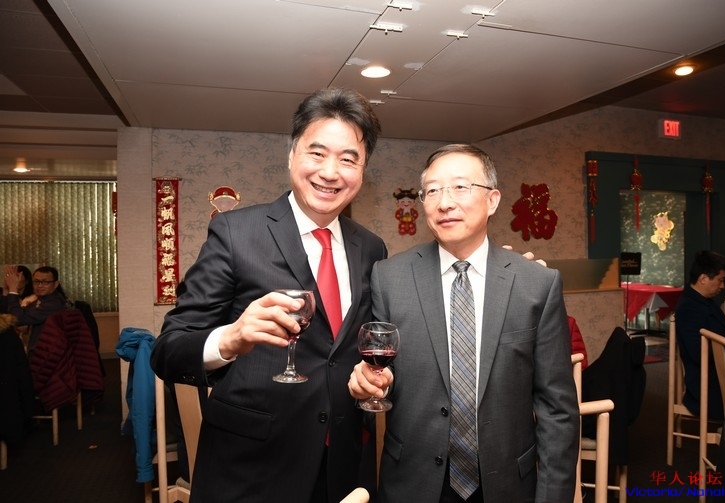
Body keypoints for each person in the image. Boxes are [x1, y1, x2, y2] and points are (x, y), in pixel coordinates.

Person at [150, 87, 388, 503]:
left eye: (348, 159)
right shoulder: (235, 232)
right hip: (251, 469)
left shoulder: (371, 248)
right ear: (292, 155)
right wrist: (230, 339)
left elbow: (357, 346)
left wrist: (373, 376)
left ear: (362, 170)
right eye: (317, 153)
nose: (331, 172)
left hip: (342, 466)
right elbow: (168, 350)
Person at [348, 144, 580, 502]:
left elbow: (557, 411)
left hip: (507, 485)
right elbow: (383, 376)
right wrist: (371, 383)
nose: (445, 203)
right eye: (432, 191)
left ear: (492, 200)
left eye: (460, 187)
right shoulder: (389, 277)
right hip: (413, 483)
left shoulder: (537, 284)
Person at [674, 250, 725, 420]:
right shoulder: (689, 308)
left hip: (724, 375)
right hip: (711, 386)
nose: (723, 286)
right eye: (720, 280)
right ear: (703, 279)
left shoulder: (702, 301)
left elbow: (720, 332)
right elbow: (697, 352)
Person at [3, 265, 69, 354]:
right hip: (37, 351)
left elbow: (18, 319)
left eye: (45, 282)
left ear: (56, 284)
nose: (40, 285)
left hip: (47, 354)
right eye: (36, 281)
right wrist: (6, 290)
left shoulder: (54, 303)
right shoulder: (40, 300)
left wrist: (13, 289)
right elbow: (11, 315)